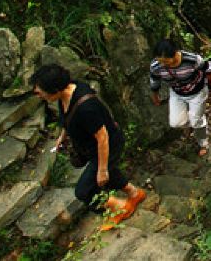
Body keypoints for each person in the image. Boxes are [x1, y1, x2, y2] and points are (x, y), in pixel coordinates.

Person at [31, 64, 146, 230]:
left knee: (84, 190)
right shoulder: (68, 91)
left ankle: (120, 207)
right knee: (110, 173)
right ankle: (135, 194)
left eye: (42, 92)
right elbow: (67, 117)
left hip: (107, 146)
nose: (40, 96)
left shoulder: (86, 107)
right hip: (92, 148)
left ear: (55, 89)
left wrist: (102, 168)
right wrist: (62, 137)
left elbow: (103, 137)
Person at [149, 40, 211, 157]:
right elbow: (155, 81)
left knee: (197, 120)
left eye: (165, 61)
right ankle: (191, 124)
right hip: (177, 93)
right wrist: (155, 97)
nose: (162, 64)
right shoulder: (156, 66)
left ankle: (203, 143)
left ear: (175, 54)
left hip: (197, 91)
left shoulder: (192, 59)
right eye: (159, 61)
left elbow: (210, 69)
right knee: (176, 123)